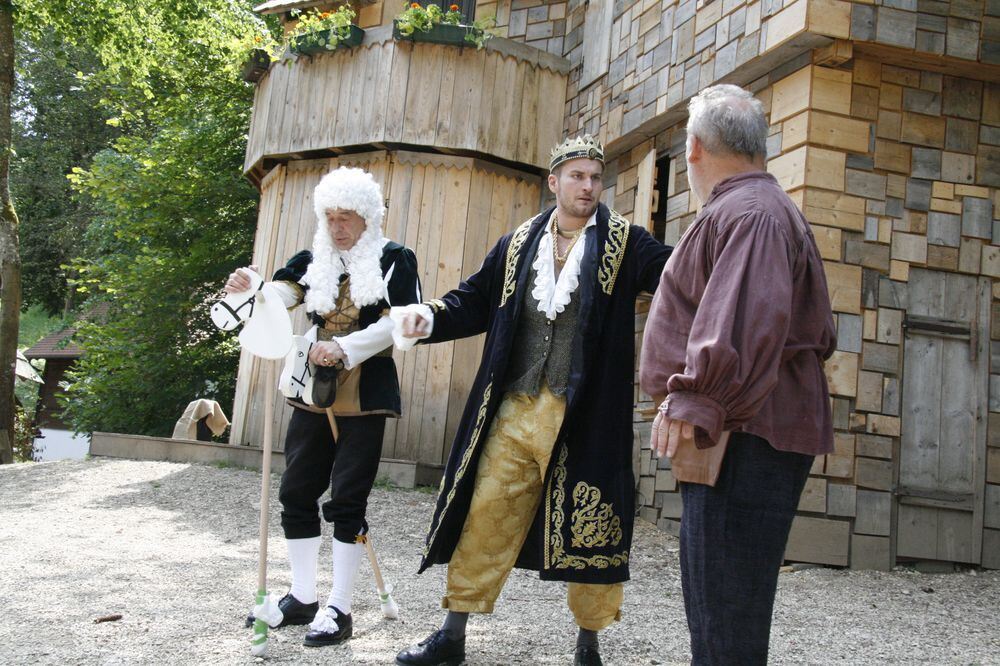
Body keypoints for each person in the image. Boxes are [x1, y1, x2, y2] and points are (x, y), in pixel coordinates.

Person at [391, 135, 671, 666]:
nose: (588, 186)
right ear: (554, 182)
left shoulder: (626, 243)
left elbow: (678, 275)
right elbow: (471, 301)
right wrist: (426, 315)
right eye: (578, 176)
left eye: (595, 177)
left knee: (596, 523)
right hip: (516, 407)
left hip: (585, 415)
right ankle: (452, 635)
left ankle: (589, 645)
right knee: (486, 513)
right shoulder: (517, 243)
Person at [639, 84, 837, 665]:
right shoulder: (751, 208)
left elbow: (743, 323)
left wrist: (697, 402)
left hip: (744, 434)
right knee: (717, 613)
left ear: (694, 148)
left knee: (727, 618)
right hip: (739, 431)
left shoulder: (751, 214)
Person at [226, 166, 420, 647]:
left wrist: (347, 348)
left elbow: (402, 323)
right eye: (331, 216)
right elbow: (279, 294)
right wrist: (251, 286)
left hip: (365, 393)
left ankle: (340, 608)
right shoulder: (314, 259)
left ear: (368, 217)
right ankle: (303, 596)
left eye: (347, 217)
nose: (337, 227)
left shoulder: (397, 259)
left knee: (347, 500)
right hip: (312, 388)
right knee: (296, 490)